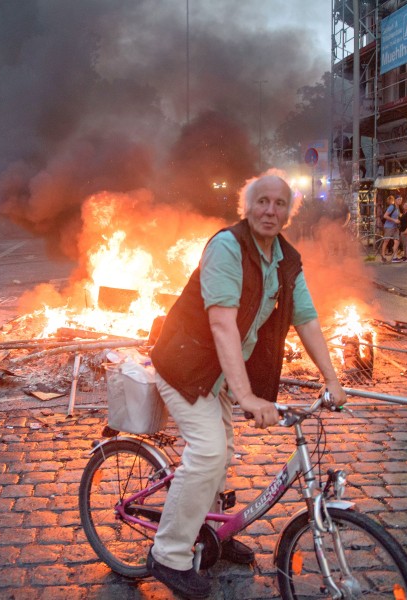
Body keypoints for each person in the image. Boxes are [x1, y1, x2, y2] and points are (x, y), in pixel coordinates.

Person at [147, 171, 347, 599]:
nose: (270, 210)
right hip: (185, 364)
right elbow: (221, 325)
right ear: (247, 206)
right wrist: (247, 397)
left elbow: (306, 319)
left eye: (279, 203)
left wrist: (332, 379)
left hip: (217, 372)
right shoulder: (227, 247)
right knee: (208, 452)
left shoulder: (285, 259)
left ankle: (210, 534)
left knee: (224, 452)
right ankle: (168, 553)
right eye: (262, 201)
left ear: (288, 212)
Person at [381, 195, 400, 263]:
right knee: (386, 241)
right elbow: (385, 216)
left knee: (397, 241)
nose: (400, 201)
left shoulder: (398, 208)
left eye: (401, 200)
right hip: (389, 226)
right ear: (395, 200)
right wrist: (394, 220)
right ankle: (383, 256)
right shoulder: (392, 207)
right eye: (398, 199)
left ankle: (394, 257)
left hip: (395, 227)